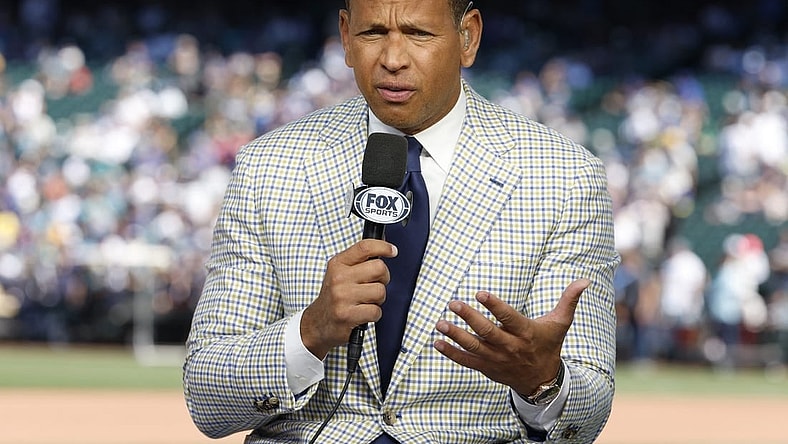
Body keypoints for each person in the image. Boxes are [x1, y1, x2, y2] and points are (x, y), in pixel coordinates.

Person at [183, 0, 619, 442]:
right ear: (346, 35)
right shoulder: (271, 165)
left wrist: (542, 382)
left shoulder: (564, 175)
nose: (392, 59)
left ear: (467, 37)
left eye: (418, 34)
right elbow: (206, 396)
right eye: (373, 33)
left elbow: (589, 411)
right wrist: (310, 331)